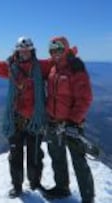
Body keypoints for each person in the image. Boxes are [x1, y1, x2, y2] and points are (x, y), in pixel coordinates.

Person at [0, 37, 53, 198]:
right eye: (22, 50)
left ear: (32, 51)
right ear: (17, 51)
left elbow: (58, 61)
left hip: (35, 120)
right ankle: (17, 186)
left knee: (34, 154)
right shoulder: (11, 68)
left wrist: (70, 53)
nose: (24, 52)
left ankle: (35, 183)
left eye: (27, 50)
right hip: (16, 119)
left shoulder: (41, 67)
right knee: (15, 155)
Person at [43, 36, 94, 203]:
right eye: (52, 49)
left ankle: (88, 198)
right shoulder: (53, 68)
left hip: (71, 124)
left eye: (59, 48)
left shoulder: (75, 67)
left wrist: (74, 121)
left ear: (65, 48)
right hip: (53, 122)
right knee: (57, 157)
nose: (55, 52)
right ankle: (62, 188)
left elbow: (85, 98)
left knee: (79, 161)